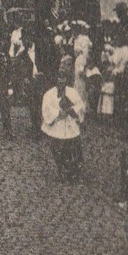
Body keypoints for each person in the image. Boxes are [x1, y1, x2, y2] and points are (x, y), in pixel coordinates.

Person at [41, 55, 85, 183]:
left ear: (67, 79)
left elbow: (80, 106)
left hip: (70, 125)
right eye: (59, 78)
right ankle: (62, 170)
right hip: (57, 126)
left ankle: (75, 171)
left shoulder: (72, 92)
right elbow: (46, 109)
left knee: (74, 149)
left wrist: (72, 111)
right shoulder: (49, 94)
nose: (61, 81)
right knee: (58, 150)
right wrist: (58, 113)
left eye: (63, 78)